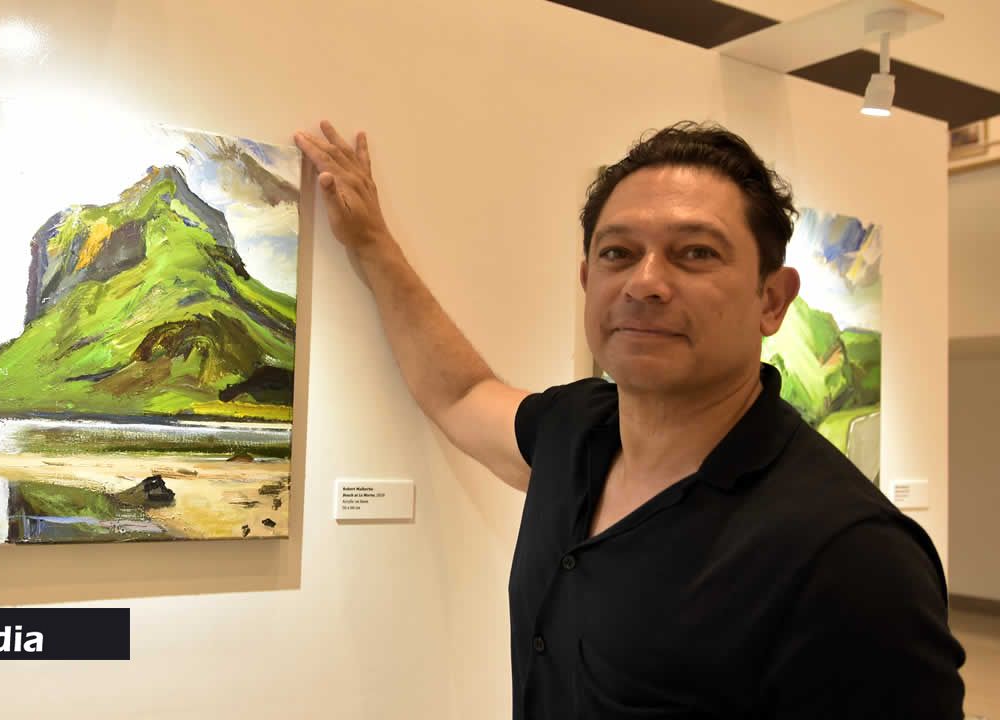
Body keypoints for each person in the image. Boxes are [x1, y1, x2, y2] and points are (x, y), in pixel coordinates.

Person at [294, 120, 966, 718]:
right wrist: (373, 246)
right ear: (587, 281)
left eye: (695, 252)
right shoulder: (571, 431)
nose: (645, 282)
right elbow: (462, 394)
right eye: (618, 253)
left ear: (772, 300)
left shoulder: (851, 555)